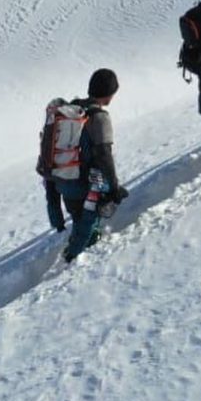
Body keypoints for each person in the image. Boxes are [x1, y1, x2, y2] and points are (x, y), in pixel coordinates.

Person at [53, 68, 129, 263]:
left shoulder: (73, 109)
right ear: (110, 94)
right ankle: (75, 261)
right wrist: (114, 188)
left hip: (62, 179)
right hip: (84, 184)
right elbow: (104, 155)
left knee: (79, 220)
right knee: (89, 225)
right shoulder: (99, 118)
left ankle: (74, 249)